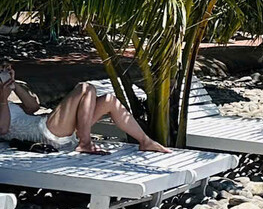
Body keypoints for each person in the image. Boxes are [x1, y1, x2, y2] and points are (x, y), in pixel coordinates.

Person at [0, 65, 165, 154]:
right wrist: (3, 99)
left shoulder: (6, 102)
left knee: (109, 100)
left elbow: (32, 107)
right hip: (45, 133)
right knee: (85, 88)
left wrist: (13, 86)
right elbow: (3, 128)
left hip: (52, 126)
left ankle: (145, 141)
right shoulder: (2, 103)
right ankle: (85, 142)